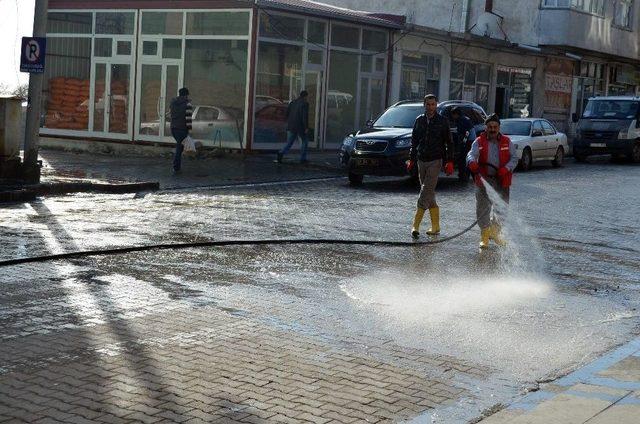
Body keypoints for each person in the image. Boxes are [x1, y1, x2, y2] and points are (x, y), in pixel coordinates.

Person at [466, 114, 519, 249]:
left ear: (499, 127)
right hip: (484, 180)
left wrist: (506, 169)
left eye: (495, 127)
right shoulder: (479, 141)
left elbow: (514, 158)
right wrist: (471, 162)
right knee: (482, 208)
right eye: (490, 127)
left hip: (502, 180)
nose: (493, 129)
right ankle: (484, 236)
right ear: (486, 128)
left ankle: (494, 233)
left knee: (502, 209)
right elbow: (471, 154)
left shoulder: (507, 142)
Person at [407, 94, 455, 239]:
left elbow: (449, 142)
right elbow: (414, 141)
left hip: (436, 160)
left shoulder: (442, 121)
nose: (430, 107)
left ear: (436, 105)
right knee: (429, 193)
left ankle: (415, 226)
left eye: (433, 104)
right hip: (422, 159)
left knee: (425, 191)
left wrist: (449, 161)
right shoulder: (419, 120)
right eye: (428, 104)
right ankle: (435, 226)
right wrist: (411, 159)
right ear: (424, 105)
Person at [278, 90, 310, 164]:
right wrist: (306, 127)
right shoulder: (305, 104)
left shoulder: (292, 102)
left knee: (290, 142)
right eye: (307, 96)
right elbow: (304, 116)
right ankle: (303, 158)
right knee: (305, 141)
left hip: (291, 125)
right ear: (305, 96)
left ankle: (281, 152)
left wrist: (288, 122)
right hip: (300, 126)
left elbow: (287, 113)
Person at [449, 106, 476, 181]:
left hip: (469, 141)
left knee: (463, 158)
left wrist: (463, 143)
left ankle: (464, 175)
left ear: (456, 114)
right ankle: (464, 174)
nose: (452, 117)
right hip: (470, 140)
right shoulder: (464, 118)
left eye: (453, 115)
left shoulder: (462, 120)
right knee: (464, 158)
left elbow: (466, 133)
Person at [169, 87, 193, 174]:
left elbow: (170, 114)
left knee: (180, 146)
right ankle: (176, 168)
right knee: (179, 148)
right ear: (186, 95)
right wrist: (190, 130)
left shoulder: (173, 103)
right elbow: (188, 119)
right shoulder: (188, 104)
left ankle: (176, 167)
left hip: (173, 128)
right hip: (182, 129)